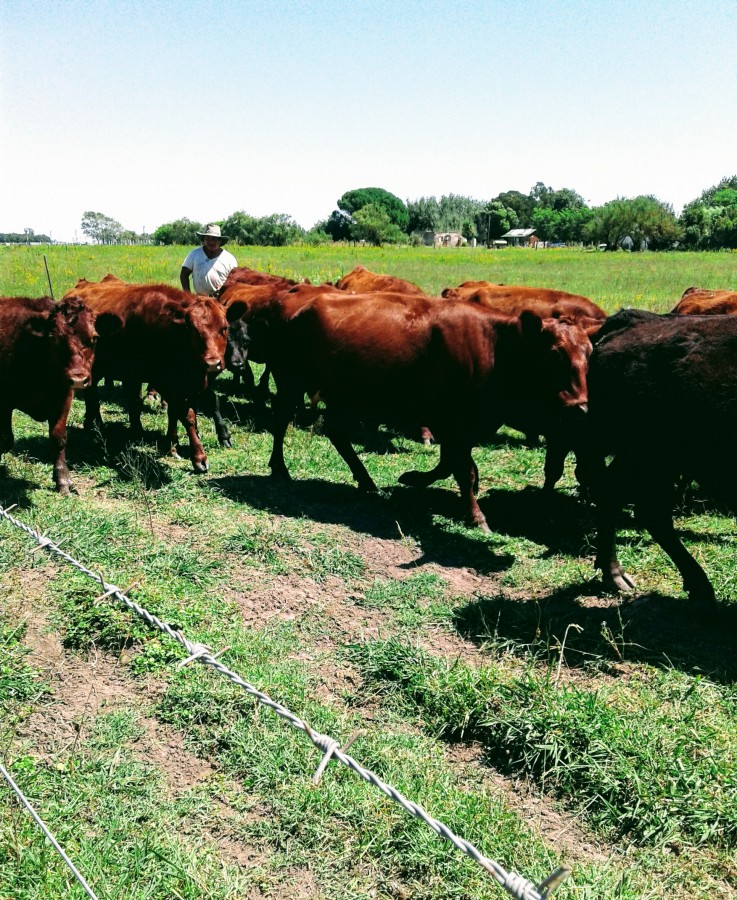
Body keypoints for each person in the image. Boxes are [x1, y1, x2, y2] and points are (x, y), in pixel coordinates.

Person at [180, 223, 237, 296]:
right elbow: (184, 274)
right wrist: (188, 295)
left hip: (221, 300)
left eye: (214, 239)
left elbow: (235, 282)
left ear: (220, 241)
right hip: (200, 299)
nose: (211, 242)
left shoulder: (229, 259)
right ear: (203, 240)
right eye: (208, 238)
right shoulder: (194, 254)